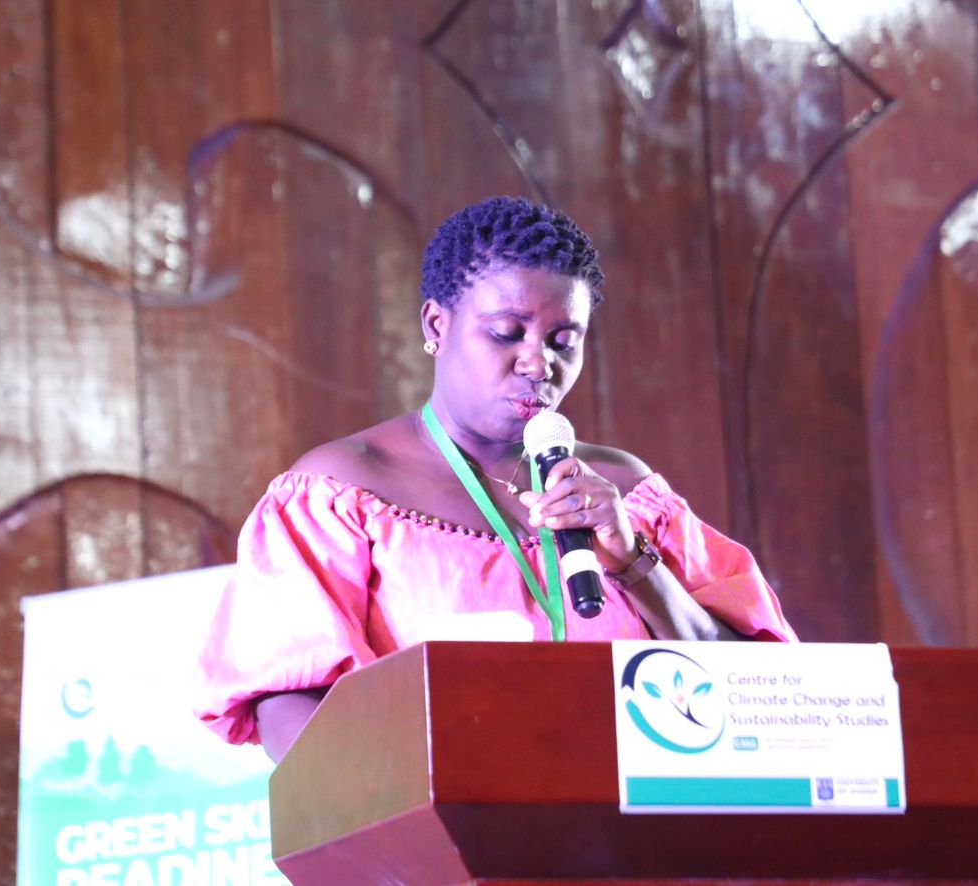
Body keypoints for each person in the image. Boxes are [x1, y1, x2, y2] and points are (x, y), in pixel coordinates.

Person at [195, 196, 797, 761]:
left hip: (638, 842)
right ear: (436, 325)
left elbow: (757, 690)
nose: (539, 362)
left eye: (565, 341)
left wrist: (635, 561)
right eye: (507, 333)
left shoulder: (627, 492)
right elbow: (286, 705)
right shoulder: (341, 491)